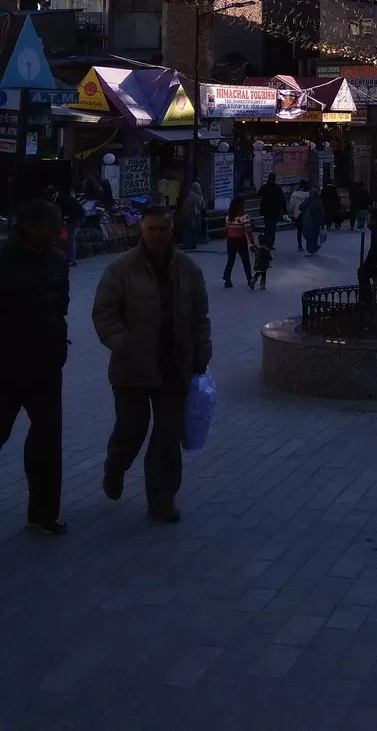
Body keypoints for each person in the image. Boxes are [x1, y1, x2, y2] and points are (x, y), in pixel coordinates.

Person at [93, 205, 211, 523]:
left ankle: (161, 500)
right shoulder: (121, 268)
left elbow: (200, 315)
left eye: (163, 229)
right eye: (152, 229)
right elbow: (104, 313)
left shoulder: (188, 269)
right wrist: (125, 344)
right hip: (132, 367)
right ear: (141, 230)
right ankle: (115, 468)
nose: (158, 235)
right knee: (132, 429)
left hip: (174, 365)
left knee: (167, 436)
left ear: (171, 230)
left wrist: (202, 351)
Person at [0, 200, 69, 535]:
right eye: (52, 226)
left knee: (47, 438)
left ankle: (42, 513)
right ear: (30, 227)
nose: (57, 232)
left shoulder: (57, 261)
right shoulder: (3, 259)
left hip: (45, 366)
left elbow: (62, 306)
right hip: (6, 368)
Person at [223, 196, 254, 287]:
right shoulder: (244, 216)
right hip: (241, 241)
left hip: (231, 241)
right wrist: (252, 243)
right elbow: (248, 230)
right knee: (245, 261)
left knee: (230, 260)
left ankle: (227, 278)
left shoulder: (229, 216)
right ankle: (249, 279)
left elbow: (226, 229)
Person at [52, 187, 85, 267]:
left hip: (77, 219)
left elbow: (69, 213)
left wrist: (66, 220)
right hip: (76, 218)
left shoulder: (61, 200)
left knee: (71, 237)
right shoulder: (62, 198)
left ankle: (72, 260)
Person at [257, 173, 287, 249]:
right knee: (272, 227)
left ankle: (267, 242)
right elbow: (282, 200)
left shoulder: (265, 187)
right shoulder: (277, 188)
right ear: (274, 179)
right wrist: (285, 211)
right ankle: (270, 243)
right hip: (275, 211)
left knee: (267, 226)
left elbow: (258, 193)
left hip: (266, 210)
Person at [176, 181, 205, 252]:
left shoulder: (191, 195)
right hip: (197, 216)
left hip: (189, 216)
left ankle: (187, 245)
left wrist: (181, 214)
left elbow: (185, 206)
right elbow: (203, 207)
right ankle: (193, 244)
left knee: (186, 230)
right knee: (194, 231)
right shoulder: (200, 196)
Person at [302, 187, 327, 256]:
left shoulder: (316, 201)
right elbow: (301, 207)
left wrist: (322, 223)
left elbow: (321, 213)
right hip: (310, 220)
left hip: (313, 220)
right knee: (310, 235)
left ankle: (311, 249)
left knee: (312, 235)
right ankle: (313, 248)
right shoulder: (311, 200)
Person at [287, 180, 310, 250]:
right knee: (307, 230)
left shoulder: (294, 194)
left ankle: (300, 245)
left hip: (297, 214)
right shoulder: (308, 194)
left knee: (299, 230)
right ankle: (308, 244)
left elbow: (291, 206)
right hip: (307, 213)